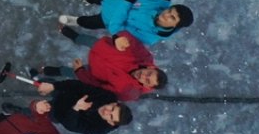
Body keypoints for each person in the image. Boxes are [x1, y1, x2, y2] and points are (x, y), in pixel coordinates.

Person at [59, 0, 194, 46]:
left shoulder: (150, 37)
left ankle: (76, 21)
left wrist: (126, 3)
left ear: (176, 26)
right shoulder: (161, 2)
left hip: (109, 19)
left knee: (89, 22)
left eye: (173, 18)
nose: (167, 14)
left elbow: (118, 30)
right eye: (170, 11)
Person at [38, 31, 167, 102]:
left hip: (94, 71)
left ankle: (50, 70)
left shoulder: (129, 91)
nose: (144, 76)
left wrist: (80, 71)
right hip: (102, 47)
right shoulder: (144, 57)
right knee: (85, 39)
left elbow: (98, 87)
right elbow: (130, 40)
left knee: (70, 72)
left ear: (147, 86)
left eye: (147, 81)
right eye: (148, 74)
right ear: (152, 68)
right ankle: (70, 33)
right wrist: (120, 39)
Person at [31, 80, 132, 134]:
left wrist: (76, 108)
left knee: (33, 112)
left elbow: (71, 125)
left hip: (59, 113)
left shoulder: (99, 129)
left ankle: (19, 109)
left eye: (110, 116)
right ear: (114, 103)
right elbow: (79, 86)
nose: (107, 111)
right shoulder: (108, 96)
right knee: (44, 84)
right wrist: (54, 86)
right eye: (112, 108)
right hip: (65, 94)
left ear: (111, 123)